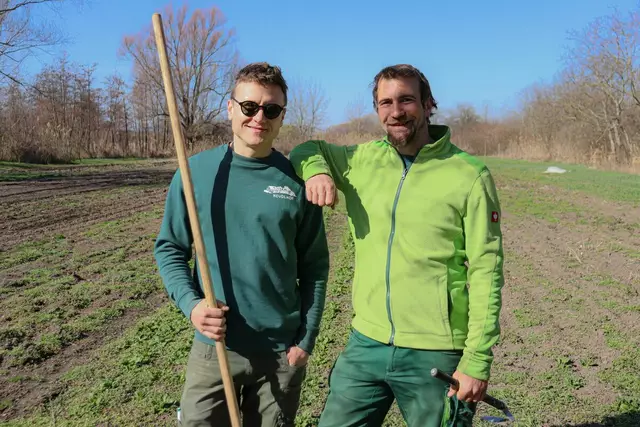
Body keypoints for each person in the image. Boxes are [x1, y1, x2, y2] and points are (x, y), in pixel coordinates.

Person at [288, 63, 504, 427]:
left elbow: (487, 271)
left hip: (435, 351)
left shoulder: (469, 175)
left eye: (406, 100)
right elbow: (306, 149)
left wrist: (477, 360)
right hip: (366, 342)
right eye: (385, 103)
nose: (396, 111)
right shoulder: (360, 161)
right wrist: (318, 172)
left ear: (428, 104)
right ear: (377, 109)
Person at [154, 62, 330, 427]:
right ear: (230, 108)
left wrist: (306, 340)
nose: (259, 117)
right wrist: (192, 306)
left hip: (280, 354)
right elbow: (170, 248)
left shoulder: (296, 181)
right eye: (249, 106)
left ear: (282, 116)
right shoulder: (196, 173)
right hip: (217, 347)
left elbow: (315, 267)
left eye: (271, 109)